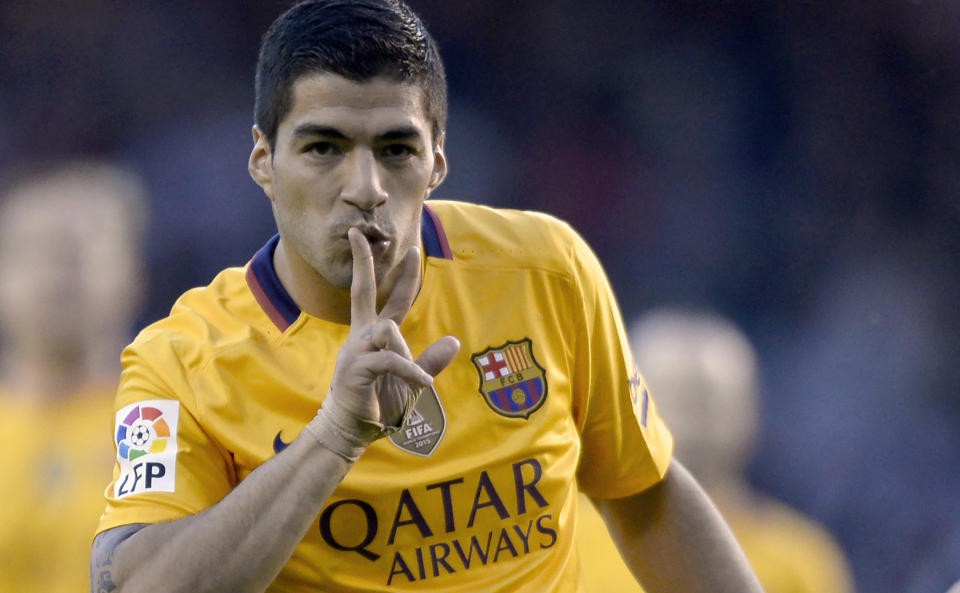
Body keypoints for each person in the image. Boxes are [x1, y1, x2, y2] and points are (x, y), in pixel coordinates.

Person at [90, 2, 763, 592]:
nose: (365, 186)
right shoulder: (178, 362)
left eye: (395, 149)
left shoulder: (545, 273)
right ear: (263, 160)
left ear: (438, 159)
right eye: (324, 147)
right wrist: (332, 439)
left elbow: (643, 490)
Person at [576, 308, 854, 593]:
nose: (695, 424)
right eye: (675, 397)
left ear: (752, 413)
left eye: (711, 403)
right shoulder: (557, 538)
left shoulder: (797, 561)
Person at [0, 161, 147, 593]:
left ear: (135, 273)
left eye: (83, 249)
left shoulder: (178, 421)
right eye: (37, 251)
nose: (60, 273)